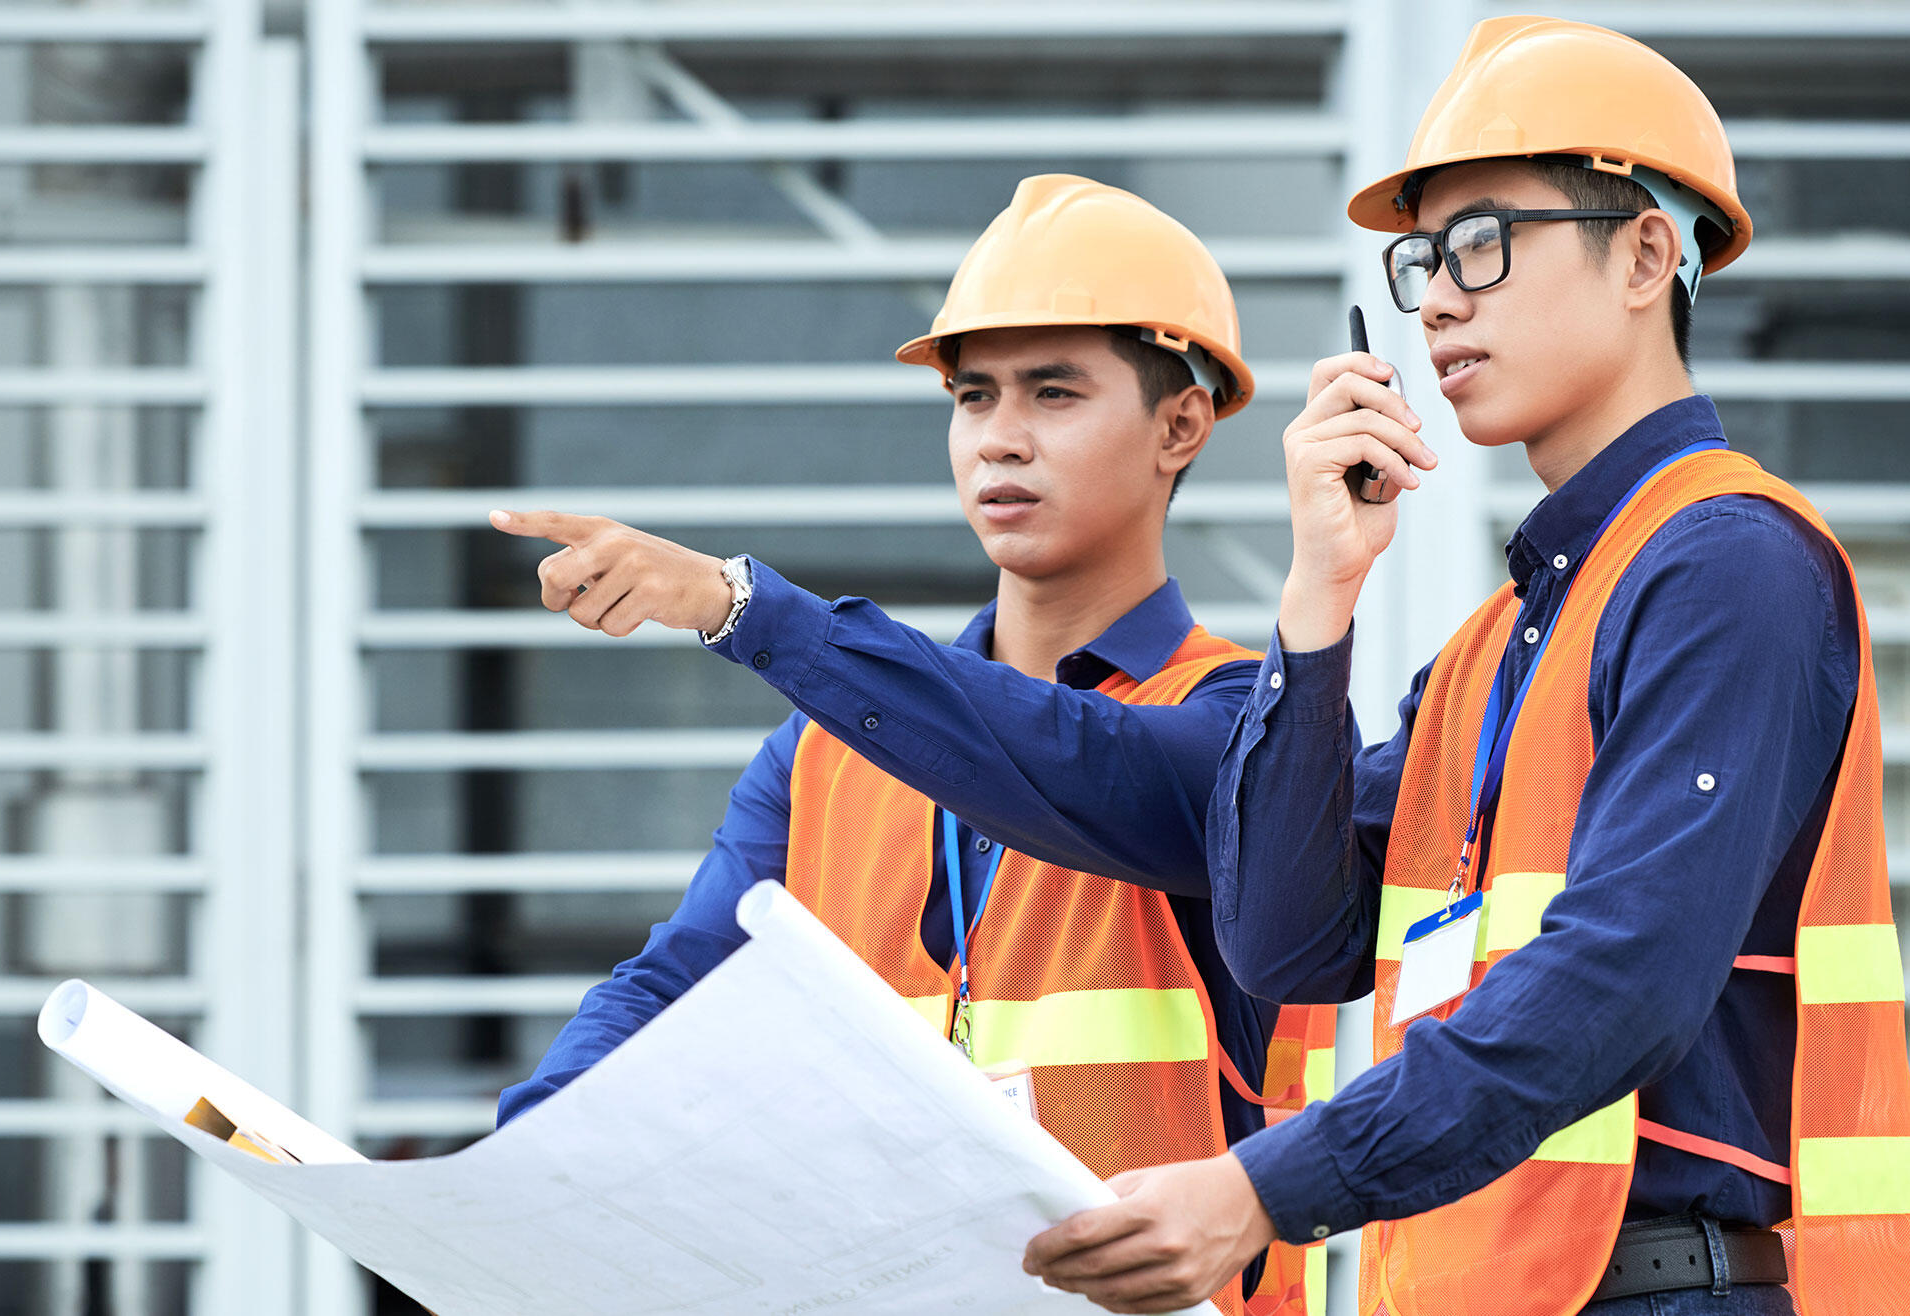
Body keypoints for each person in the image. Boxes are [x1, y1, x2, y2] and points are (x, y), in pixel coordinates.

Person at [1023, 18, 1910, 1316]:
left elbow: (1623, 980)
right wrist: (1318, 597)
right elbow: (1290, 943)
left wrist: (1260, 1188)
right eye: (1421, 263)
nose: (1439, 297)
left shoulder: (1730, 566)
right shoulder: (1501, 646)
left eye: (1482, 245)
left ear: (1646, 253)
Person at [491, 174, 1332, 1314]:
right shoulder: (826, 751)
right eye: (974, 395)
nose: (1002, 439)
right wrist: (517, 1171)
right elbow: (675, 988)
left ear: (1179, 424)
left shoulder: (1250, 728)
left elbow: (1063, 755)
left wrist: (745, 607)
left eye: (1054, 392)